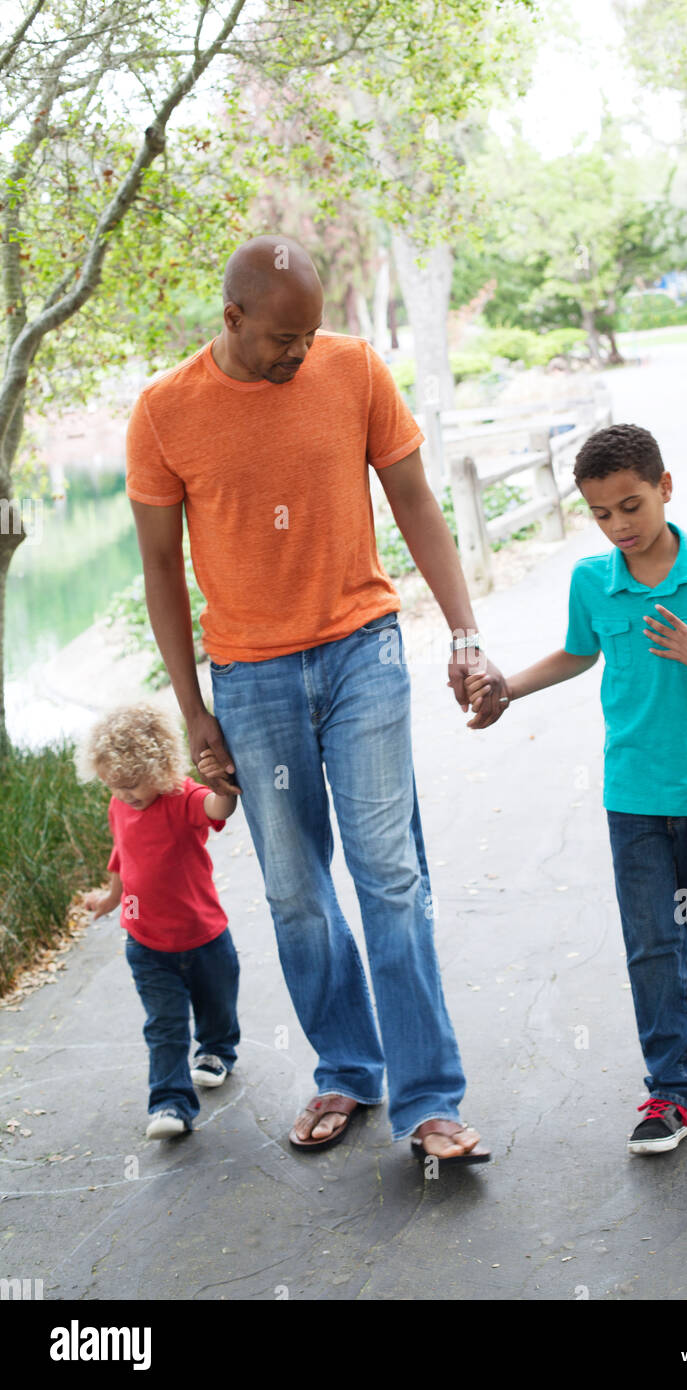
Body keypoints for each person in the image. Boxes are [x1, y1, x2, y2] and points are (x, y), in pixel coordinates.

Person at [124, 235, 508, 1164]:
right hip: (249, 679)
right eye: (282, 340)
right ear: (233, 318)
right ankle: (346, 1067)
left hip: (362, 654)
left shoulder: (354, 370)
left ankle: (428, 1102)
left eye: (310, 336)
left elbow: (415, 498)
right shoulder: (165, 413)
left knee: (392, 877)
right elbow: (162, 575)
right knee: (296, 893)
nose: (300, 355)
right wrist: (193, 708)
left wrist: (463, 632)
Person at [466, 423, 687, 1154]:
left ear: (665, 488)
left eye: (630, 506)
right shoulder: (592, 581)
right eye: (601, 514)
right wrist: (507, 688)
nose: (618, 526)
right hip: (632, 793)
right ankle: (671, 1093)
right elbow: (577, 654)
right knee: (650, 940)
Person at [80, 703, 239, 1140]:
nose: (124, 794)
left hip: (204, 935)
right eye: (114, 785)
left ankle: (215, 1051)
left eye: (131, 784)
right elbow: (122, 855)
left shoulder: (181, 798)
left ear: (159, 766)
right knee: (164, 1024)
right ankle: (170, 1102)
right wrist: (111, 898)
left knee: (217, 1005)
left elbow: (218, 809)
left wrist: (220, 785)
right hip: (146, 943)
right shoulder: (120, 805)